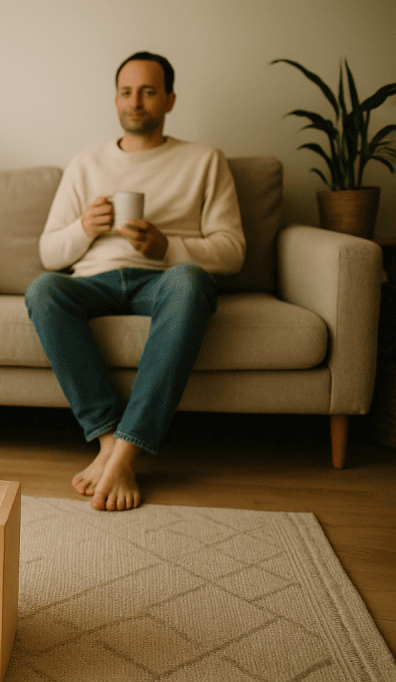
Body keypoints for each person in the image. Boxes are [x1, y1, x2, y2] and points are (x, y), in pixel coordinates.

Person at [25, 51, 245, 512]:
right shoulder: (85, 164)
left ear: (169, 99)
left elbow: (233, 250)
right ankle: (107, 441)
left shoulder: (205, 160)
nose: (136, 101)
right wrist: (85, 227)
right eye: (127, 92)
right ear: (115, 99)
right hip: (93, 280)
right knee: (43, 289)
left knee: (190, 282)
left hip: (162, 279)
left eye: (148, 91)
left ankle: (126, 450)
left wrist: (167, 247)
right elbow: (49, 254)